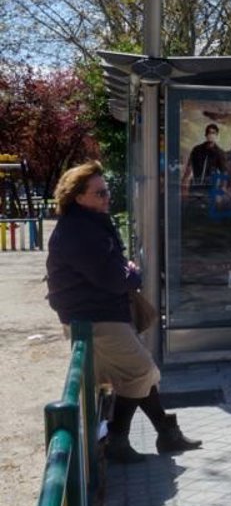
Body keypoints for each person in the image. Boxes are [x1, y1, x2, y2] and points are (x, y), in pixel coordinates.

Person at [45, 161, 202, 462]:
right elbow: (114, 278)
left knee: (135, 375)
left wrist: (123, 270)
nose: (107, 198)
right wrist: (133, 274)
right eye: (100, 193)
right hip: (96, 319)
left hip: (97, 316)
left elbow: (109, 270)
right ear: (78, 197)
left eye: (107, 192)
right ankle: (118, 437)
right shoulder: (80, 231)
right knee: (143, 371)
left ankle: (165, 433)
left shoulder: (86, 224)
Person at [181, 122, 228, 198]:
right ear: (206, 135)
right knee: (192, 207)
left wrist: (222, 189)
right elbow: (189, 167)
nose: (211, 135)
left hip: (210, 186)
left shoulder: (220, 153)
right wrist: (184, 184)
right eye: (209, 132)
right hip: (195, 184)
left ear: (217, 135)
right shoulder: (197, 149)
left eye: (213, 133)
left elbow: (224, 172)